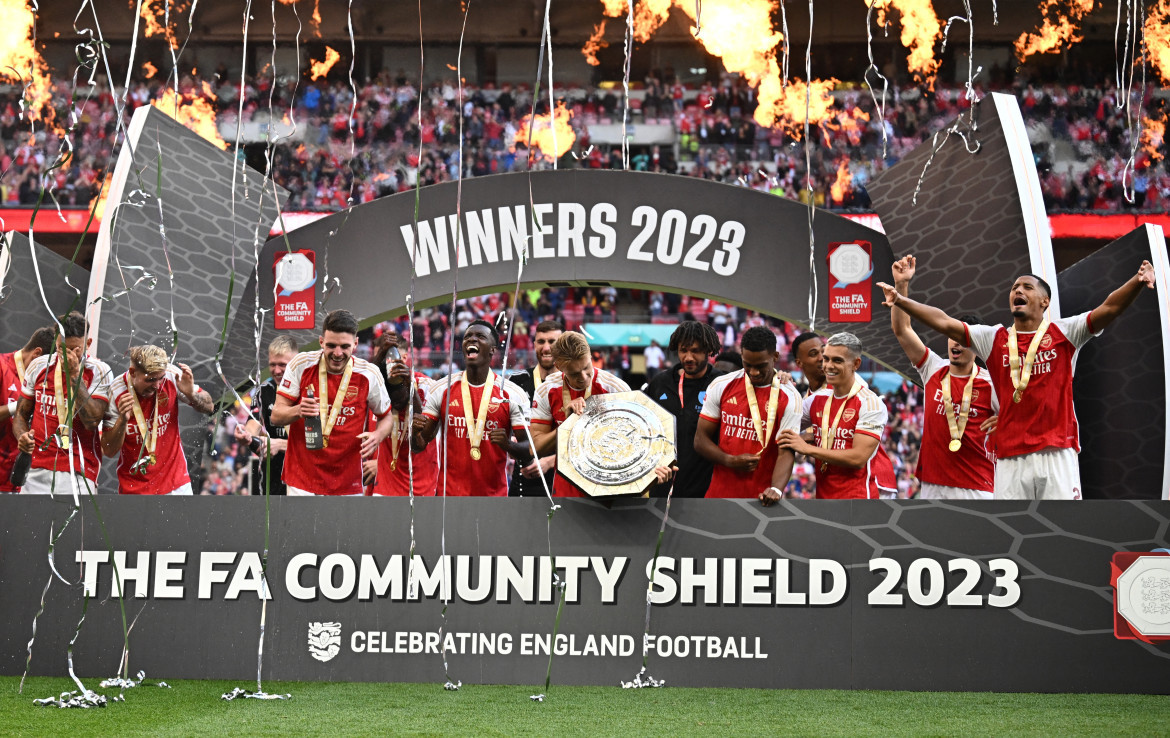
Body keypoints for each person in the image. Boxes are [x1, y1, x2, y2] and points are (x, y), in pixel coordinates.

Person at [878, 259, 1156, 499]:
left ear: (1044, 301)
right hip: (1010, 458)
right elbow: (944, 321)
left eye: (1026, 287)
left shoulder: (1065, 333)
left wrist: (1137, 281)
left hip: (1056, 451)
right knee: (1013, 536)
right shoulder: (993, 338)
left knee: (1063, 529)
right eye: (1013, 288)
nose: (1018, 291)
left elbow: (1109, 309)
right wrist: (901, 300)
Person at [888, 256, 997, 499]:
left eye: (963, 340)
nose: (955, 343)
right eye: (952, 335)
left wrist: (1007, 422)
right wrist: (901, 286)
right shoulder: (933, 369)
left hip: (977, 486)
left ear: (976, 346)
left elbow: (1020, 418)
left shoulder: (992, 384)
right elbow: (902, 330)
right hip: (932, 484)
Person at [271, 309, 407, 496]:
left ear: (356, 344)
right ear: (321, 342)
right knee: (299, 527)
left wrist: (377, 436)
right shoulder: (301, 364)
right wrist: (298, 410)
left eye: (344, 347)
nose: (337, 353)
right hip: (301, 479)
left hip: (347, 482)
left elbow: (387, 418)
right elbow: (276, 415)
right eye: (331, 345)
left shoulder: (369, 373)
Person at [412, 320, 532, 496]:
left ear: (492, 349)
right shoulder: (441, 388)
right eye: (468, 336)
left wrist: (507, 445)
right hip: (449, 498)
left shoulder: (512, 394)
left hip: (493, 499)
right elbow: (418, 446)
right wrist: (414, 432)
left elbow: (529, 452)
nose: (472, 340)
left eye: (480, 336)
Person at [778, 332, 895, 499]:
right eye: (825, 358)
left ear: (856, 364)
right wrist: (779, 386)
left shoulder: (865, 398)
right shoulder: (815, 399)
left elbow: (858, 458)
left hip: (864, 492)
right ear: (799, 363)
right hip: (826, 495)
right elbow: (779, 422)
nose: (825, 363)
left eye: (836, 360)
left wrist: (808, 447)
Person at [696, 325, 801, 504]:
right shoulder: (721, 385)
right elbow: (700, 440)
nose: (753, 372)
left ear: (775, 357)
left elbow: (786, 452)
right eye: (747, 365)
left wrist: (776, 488)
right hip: (718, 497)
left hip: (763, 500)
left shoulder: (790, 397)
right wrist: (729, 460)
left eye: (761, 366)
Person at [12, 312, 113, 497]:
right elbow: (20, 415)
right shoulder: (39, 366)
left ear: (88, 344)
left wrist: (74, 375)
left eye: (75, 349)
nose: (67, 356)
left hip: (79, 471)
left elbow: (92, 421)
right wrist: (22, 436)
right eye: (61, 349)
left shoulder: (99, 371)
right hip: (36, 468)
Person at [529, 331, 638, 497]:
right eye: (574, 373)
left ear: (590, 356)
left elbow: (636, 443)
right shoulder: (546, 390)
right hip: (567, 487)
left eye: (586, 367)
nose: (583, 377)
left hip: (609, 487)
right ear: (559, 367)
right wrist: (569, 424)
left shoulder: (615, 389)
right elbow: (535, 448)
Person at [102, 345, 215, 495]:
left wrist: (191, 395)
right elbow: (109, 450)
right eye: (150, 379)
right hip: (135, 488)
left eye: (160, 378)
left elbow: (210, 407)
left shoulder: (171, 375)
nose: (157, 385)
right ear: (133, 372)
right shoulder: (116, 391)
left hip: (177, 483)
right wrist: (122, 420)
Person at [643, 321, 726, 498]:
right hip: (662, 488)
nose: (688, 357)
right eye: (683, 350)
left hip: (706, 492)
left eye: (695, 351)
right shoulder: (660, 383)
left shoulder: (721, 384)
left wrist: (779, 376)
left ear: (708, 351)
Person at [367, 329, 438, 496]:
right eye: (379, 358)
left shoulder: (428, 388)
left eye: (386, 357)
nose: (382, 364)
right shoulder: (377, 387)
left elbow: (420, 443)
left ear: (403, 358)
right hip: (384, 488)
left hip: (422, 489)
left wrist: (411, 390)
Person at [234, 335, 297, 495]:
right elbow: (253, 424)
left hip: (304, 478)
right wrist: (245, 435)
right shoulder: (264, 390)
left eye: (283, 365)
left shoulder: (311, 390)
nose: (277, 371)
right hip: (273, 478)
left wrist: (281, 445)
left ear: (295, 363)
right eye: (272, 365)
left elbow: (321, 444)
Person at [508, 319, 563, 497]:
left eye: (552, 342)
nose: (546, 348)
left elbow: (582, 440)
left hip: (560, 481)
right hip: (522, 480)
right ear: (534, 344)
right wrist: (510, 445)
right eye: (541, 342)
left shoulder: (573, 384)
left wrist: (551, 461)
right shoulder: (516, 382)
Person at [0, 326, 55, 491]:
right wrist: (16, 406)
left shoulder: (44, 382)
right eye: (45, 367)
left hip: (21, 481)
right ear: (37, 354)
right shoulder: (2, 366)